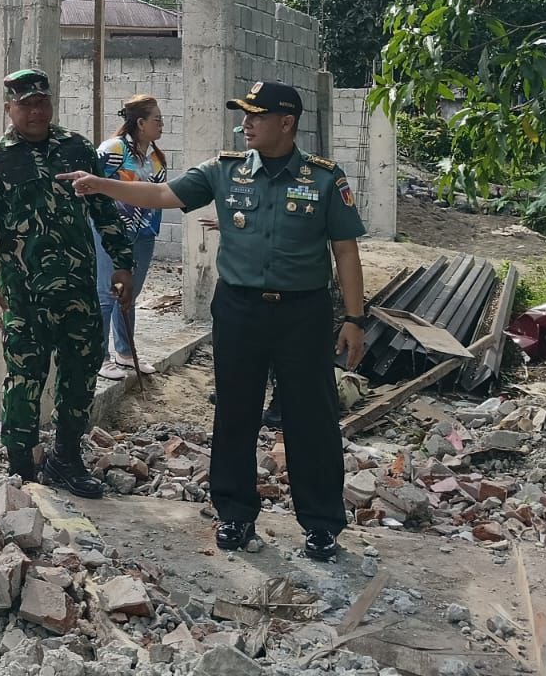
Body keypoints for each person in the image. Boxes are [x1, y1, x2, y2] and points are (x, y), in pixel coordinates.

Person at [59, 80, 367, 560]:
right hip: (239, 309)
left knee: (312, 418)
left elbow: (345, 251)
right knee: (235, 412)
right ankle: (235, 513)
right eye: (244, 115)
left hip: (303, 313)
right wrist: (101, 184)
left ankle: (322, 523)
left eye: (256, 116)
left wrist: (354, 318)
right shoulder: (224, 171)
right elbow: (162, 195)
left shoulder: (325, 179)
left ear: (287, 122)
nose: (246, 124)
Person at [0, 68, 135, 498]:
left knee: (81, 374)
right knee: (24, 380)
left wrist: (122, 261)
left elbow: (104, 207)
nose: (36, 112)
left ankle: (66, 458)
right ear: (10, 108)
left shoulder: (77, 149)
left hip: (77, 290)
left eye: (42, 103)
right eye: (26, 105)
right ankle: (21, 468)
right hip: (24, 295)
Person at [92, 94, 168, 380]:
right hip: (112, 233)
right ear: (140, 123)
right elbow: (92, 185)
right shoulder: (113, 149)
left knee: (130, 294)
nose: (161, 125)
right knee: (106, 294)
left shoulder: (156, 157)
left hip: (145, 232)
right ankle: (99, 357)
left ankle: (125, 352)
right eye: (157, 119)